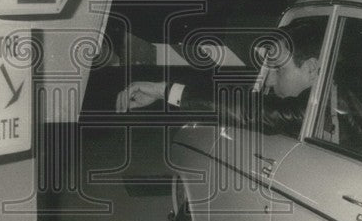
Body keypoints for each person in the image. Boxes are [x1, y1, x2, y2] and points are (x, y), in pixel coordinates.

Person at [115, 20, 324, 139]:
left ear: (312, 69)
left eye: (278, 69)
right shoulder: (327, 103)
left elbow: (249, 112)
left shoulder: (313, 112)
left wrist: (164, 91)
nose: (268, 82)